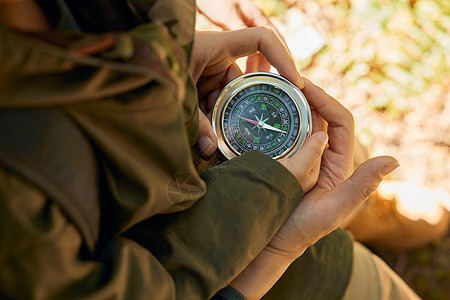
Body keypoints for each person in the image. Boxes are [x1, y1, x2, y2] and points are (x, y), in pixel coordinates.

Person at [0, 0, 420, 300]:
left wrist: (164, 42)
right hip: (233, 267)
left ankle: (366, 213)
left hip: (198, 137)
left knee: (335, 151)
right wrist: (279, 251)